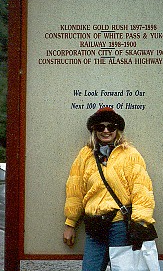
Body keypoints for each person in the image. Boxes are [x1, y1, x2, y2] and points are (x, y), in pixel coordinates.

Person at [63, 107, 156, 271]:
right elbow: (75, 191)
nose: (106, 131)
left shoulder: (130, 154)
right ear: (94, 130)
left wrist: (140, 223)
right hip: (94, 225)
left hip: (120, 225)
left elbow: (142, 190)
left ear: (117, 129)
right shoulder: (85, 155)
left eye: (111, 127)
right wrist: (70, 223)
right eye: (100, 127)